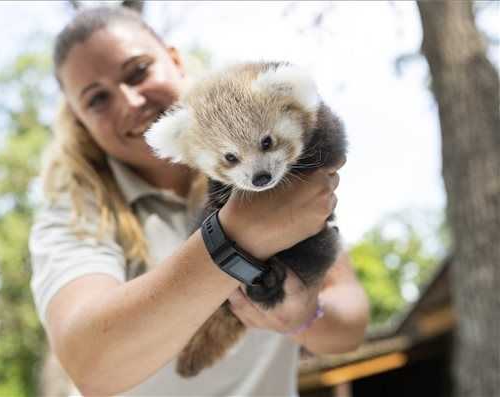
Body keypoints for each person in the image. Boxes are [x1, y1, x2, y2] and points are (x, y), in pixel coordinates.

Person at [29, 5, 370, 396]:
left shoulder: (270, 151)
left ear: (174, 60)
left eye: (138, 71)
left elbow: (351, 325)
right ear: (78, 117)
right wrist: (234, 238)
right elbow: (91, 365)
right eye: (97, 99)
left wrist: (304, 316)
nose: (129, 101)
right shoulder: (72, 212)